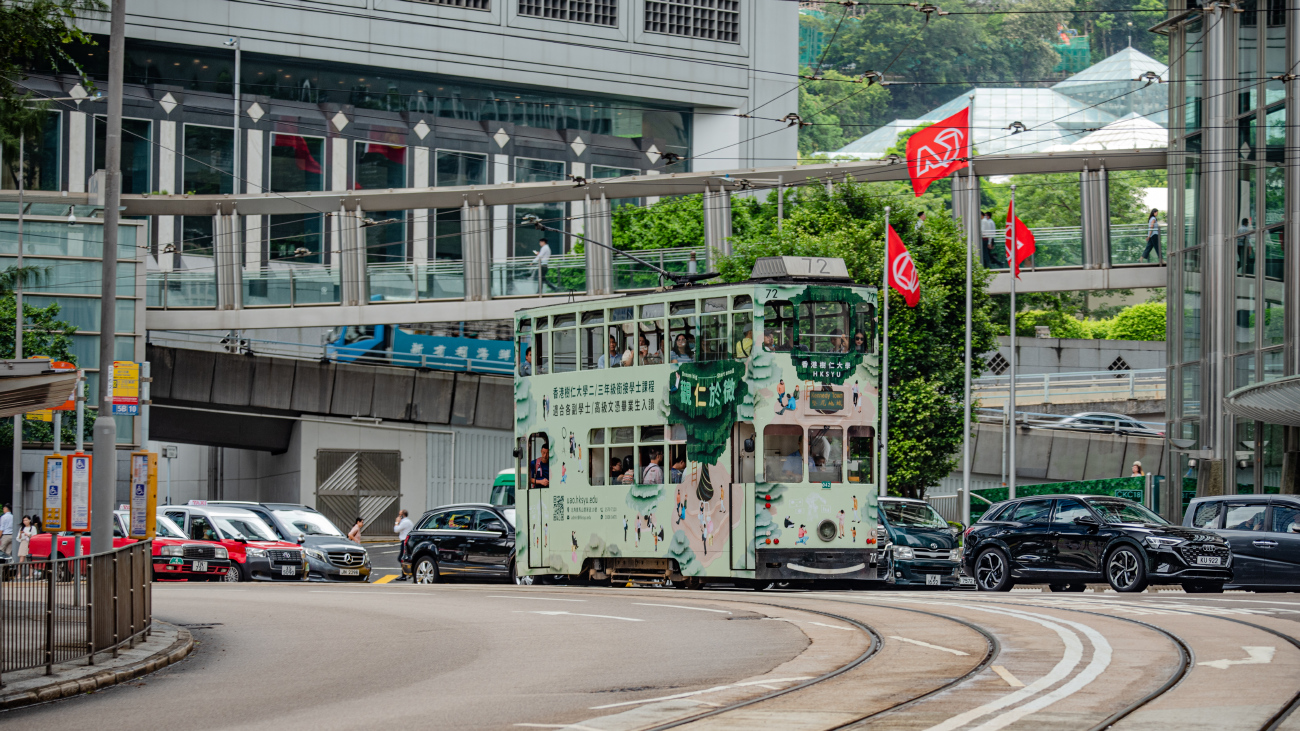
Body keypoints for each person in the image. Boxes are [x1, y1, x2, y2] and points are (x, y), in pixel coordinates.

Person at [393, 509, 414, 579]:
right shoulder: (409, 521)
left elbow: (396, 530)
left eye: (399, 515)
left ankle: (405, 574)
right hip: (407, 541)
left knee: (401, 558)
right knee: (404, 558)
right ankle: (406, 574)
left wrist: (396, 522)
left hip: (404, 542)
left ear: (402, 516)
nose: (398, 516)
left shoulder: (404, 522)